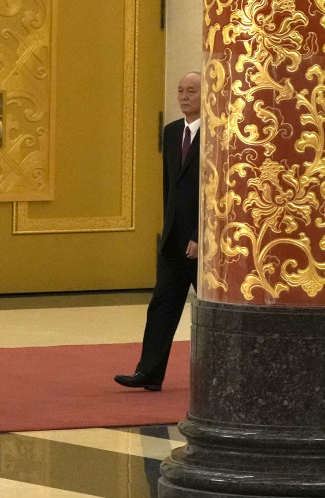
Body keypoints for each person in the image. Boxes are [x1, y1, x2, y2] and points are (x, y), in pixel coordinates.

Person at [115, 72, 202, 391]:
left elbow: (216, 190)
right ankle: (149, 372)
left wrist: (199, 234)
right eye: (180, 91)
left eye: (191, 91)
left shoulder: (218, 135)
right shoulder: (171, 132)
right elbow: (170, 189)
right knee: (162, 304)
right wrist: (168, 231)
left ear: (207, 95)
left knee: (209, 311)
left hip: (201, 241)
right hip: (172, 239)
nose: (184, 97)